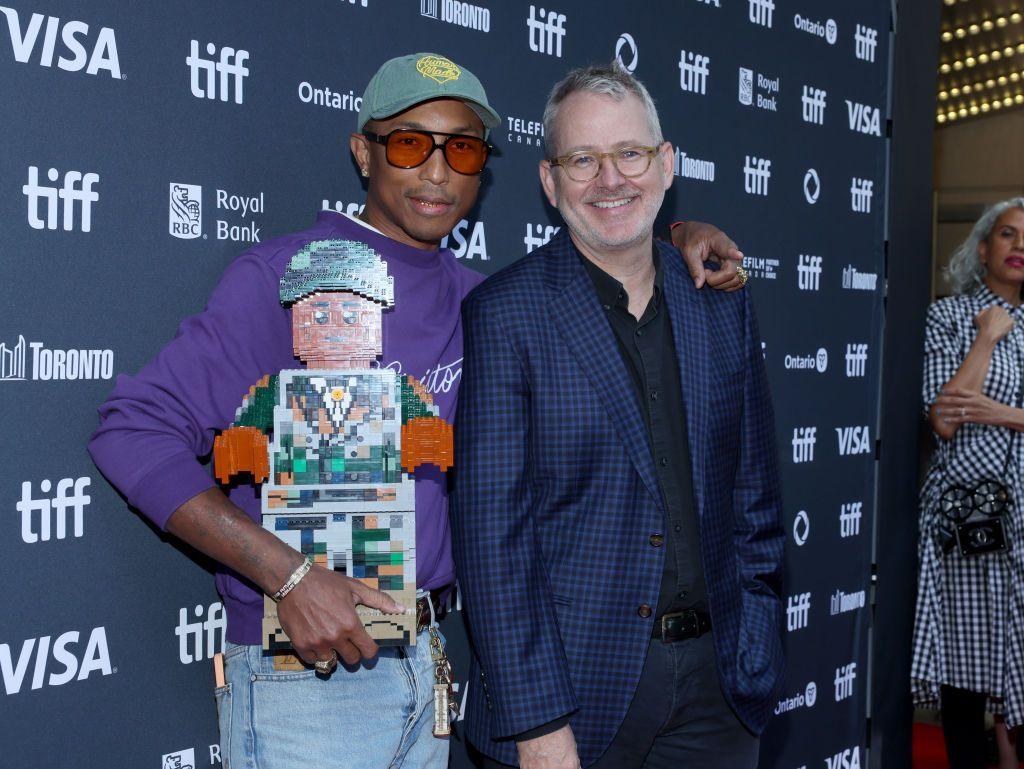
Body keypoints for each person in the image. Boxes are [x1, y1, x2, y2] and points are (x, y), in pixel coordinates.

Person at [87, 53, 744, 769]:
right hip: (306, 677)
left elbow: (615, 255)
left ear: (482, 169)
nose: (436, 171)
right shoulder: (285, 278)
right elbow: (132, 429)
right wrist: (288, 574)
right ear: (362, 152)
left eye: (461, 148)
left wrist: (676, 237)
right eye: (409, 143)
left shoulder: (489, 303)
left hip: (427, 662)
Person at [450, 62, 784, 769]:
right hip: (573, 706)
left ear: (665, 165)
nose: (611, 179)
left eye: (630, 154)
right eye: (583, 158)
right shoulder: (506, 314)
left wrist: (756, 645)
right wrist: (537, 726)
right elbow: (492, 542)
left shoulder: (722, 303)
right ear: (550, 180)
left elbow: (755, 501)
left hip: (721, 693)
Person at [912, 198, 1024, 769]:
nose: (1019, 245)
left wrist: (1001, 411)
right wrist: (986, 337)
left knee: (1017, 667)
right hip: (969, 518)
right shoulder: (949, 317)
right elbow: (945, 418)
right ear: (984, 249)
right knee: (966, 676)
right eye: (1007, 234)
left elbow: (982, 410)